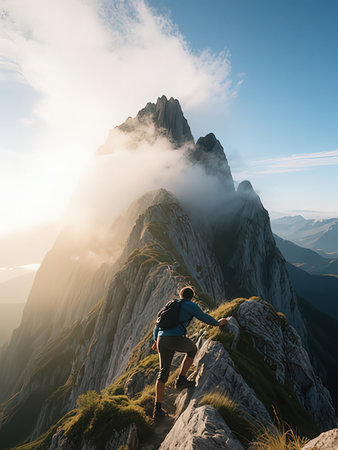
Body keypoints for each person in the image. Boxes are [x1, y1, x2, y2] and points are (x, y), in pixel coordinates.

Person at [152, 286, 227, 420]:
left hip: (161, 340)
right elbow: (203, 317)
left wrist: (155, 340)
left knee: (162, 374)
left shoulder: (171, 304)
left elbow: (158, 323)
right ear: (192, 297)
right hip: (174, 338)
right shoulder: (190, 305)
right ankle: (181, 379)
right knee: (192, 349)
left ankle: (157, 409)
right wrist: (218, 323)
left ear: (180, 295)